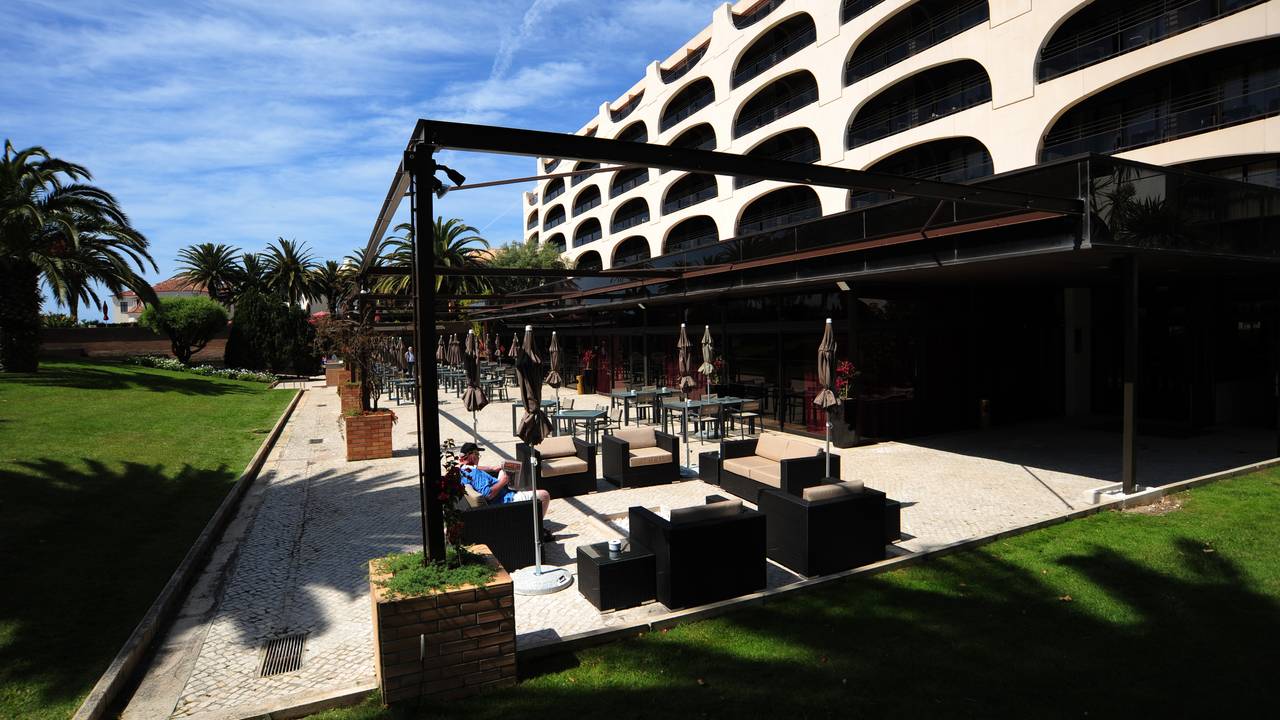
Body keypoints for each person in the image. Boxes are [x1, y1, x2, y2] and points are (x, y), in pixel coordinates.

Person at [456, 442, 553, 542]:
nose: (478, 458)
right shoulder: (475, 473)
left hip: (499, 497)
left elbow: (472, 467)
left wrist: (492, 468)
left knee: (504, 470)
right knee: (544, 495)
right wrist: (504, 481)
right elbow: (488, 494)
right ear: (472, 456)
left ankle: (520, 495)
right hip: (505, 501)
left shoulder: (462, 470)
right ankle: (536, 529)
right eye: (477, 454)